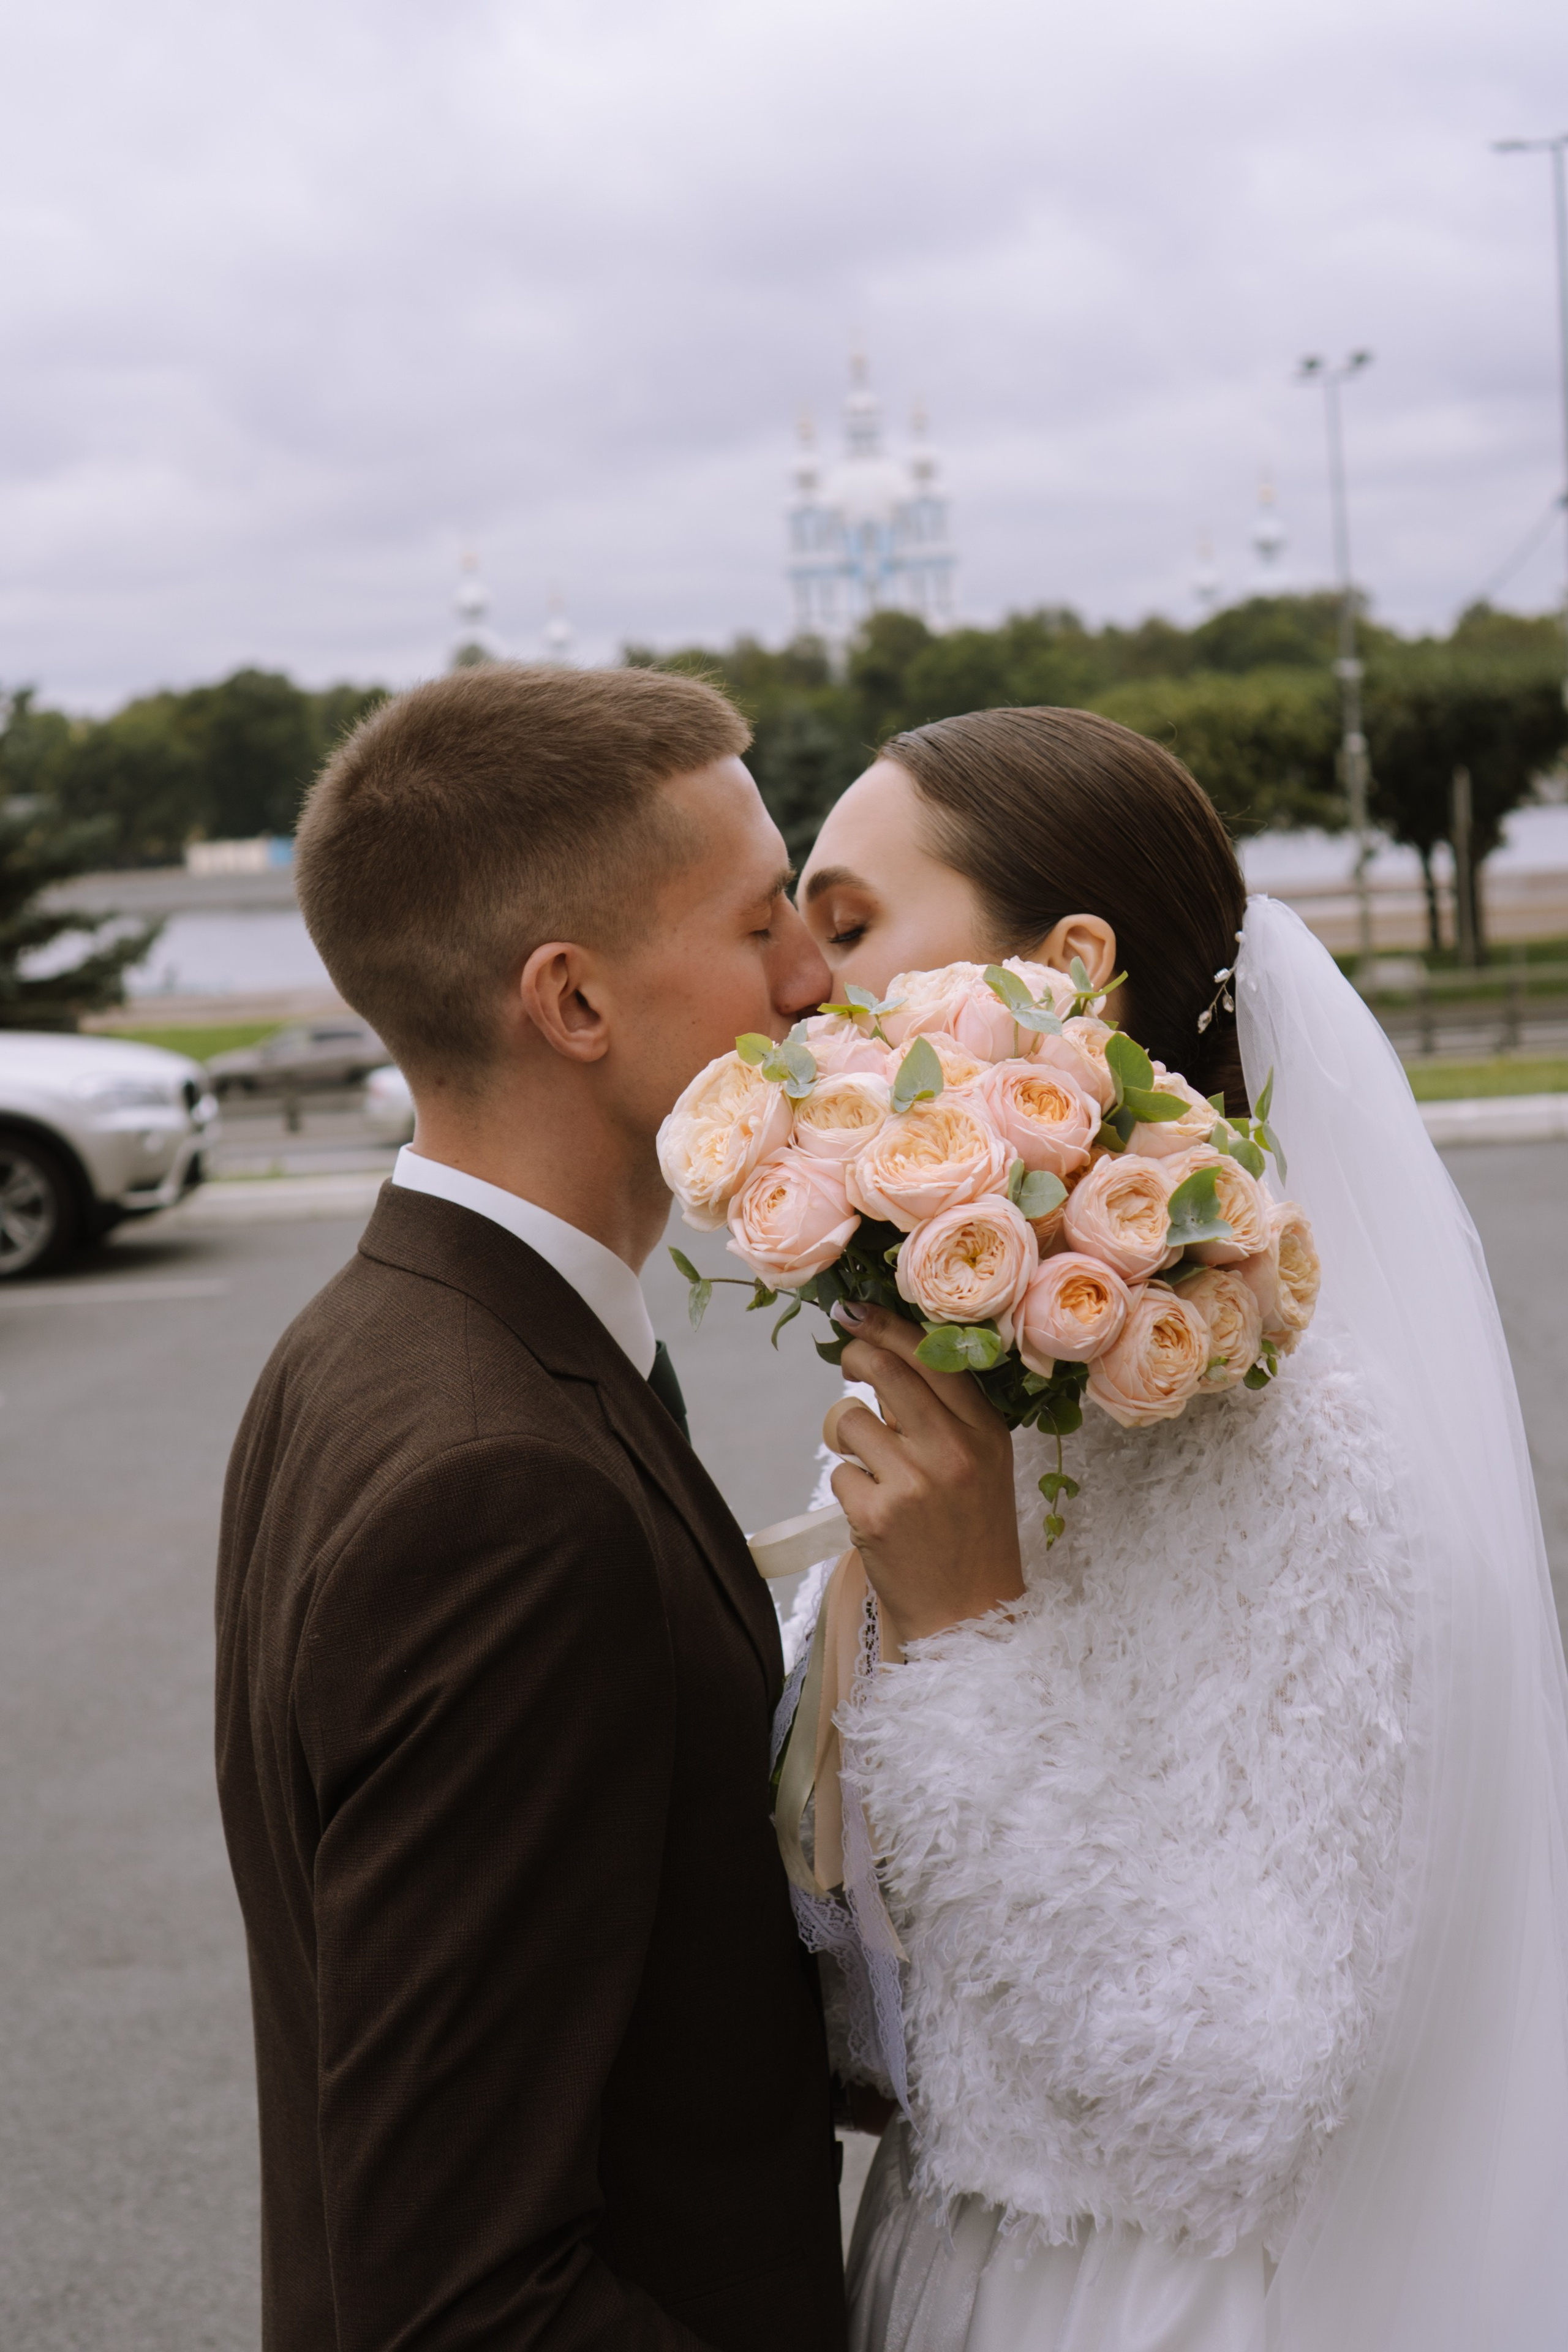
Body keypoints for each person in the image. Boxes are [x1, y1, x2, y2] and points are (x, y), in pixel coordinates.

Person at [214, 663, 1022, 2352]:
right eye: (755, 932)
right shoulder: (498, 1493)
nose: (817, 979)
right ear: (572, 1005)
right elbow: (464, 2298)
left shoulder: (364, 1343)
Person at [785, 706, 1568, 2352]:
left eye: (847, 926)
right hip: (935, 2250)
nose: (795, 988)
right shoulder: (1001, 1403)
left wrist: (969, 1630)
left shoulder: (1321, 1461)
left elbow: (1240, 2094)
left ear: (1070, 969)